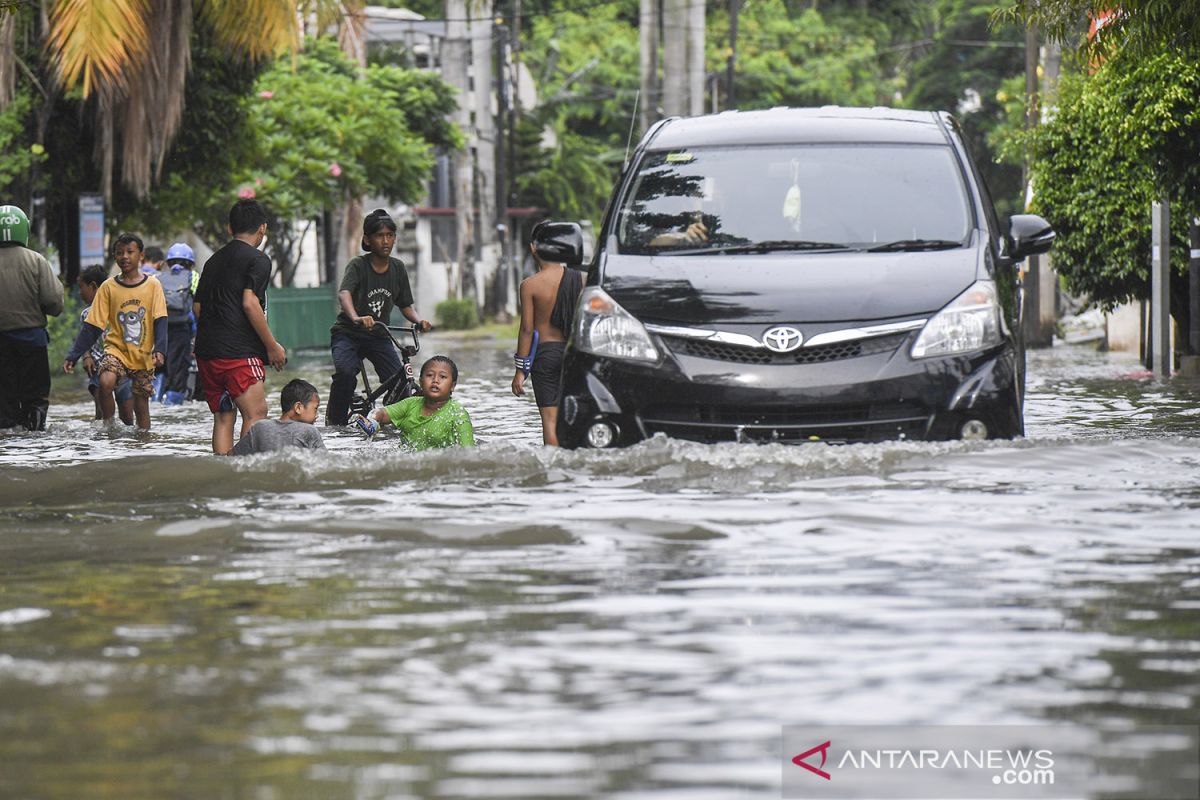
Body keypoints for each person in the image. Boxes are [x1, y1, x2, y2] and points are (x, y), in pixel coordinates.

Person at [193, 198, 288, 455]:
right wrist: (272, 346)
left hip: (206, 354)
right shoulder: (258, 260)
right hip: (237, 353)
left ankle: (225, 470)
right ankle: (243, 475)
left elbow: (198, 308)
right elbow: (250, 303)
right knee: (256, 413)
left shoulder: (213, 261)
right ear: (262, 229)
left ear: (229, 229)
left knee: (224, 416)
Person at [326, 209, 432, 427]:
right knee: (346, 374)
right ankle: (335, 424)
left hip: (378, 336)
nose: (386, 241)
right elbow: (344, 293)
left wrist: (419, 320)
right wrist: (356, 317)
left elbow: (405, 305)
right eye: (379, 235)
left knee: (400, 380)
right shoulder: (358, 266)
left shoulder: (398, 268)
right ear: (367, 239)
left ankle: (391, 418)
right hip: (348, 334)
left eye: (390, 235)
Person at [63, 233, 167, 430]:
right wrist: (74, 354)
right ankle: (109, 428)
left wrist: (160, 349)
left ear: (141, 256)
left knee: (141, 406)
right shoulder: (108, 287)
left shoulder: (153, 285)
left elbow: (160, 319)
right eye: (119, 253)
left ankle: (143, 442)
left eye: (130, 252)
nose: (125, 257)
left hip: (143, 354)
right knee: (105, 381)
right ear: (114, 257)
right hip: (116, 349)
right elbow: (93, 326)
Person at [511, 221, 584, 446]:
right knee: (578, 418)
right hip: (576, 356)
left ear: (534, 248)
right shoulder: (581, 279)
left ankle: (554, 473)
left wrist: (520, 371)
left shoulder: (530, 285)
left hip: (545, 356)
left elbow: (526, 330)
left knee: (550, 421)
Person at [0, 204, 64, 431]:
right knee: (35, 400)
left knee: (4, 403)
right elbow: (55, 302)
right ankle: (34, 443)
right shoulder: (36, 261)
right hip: (32, 341)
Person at [351, 355, 474, 450]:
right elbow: (381, 413)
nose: (435, 380)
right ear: (420, 382)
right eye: (430, 375)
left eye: (442, 377)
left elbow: (468, 454)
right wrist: (372, 421)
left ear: (452, 386)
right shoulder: (410, 404)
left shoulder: (459, 415)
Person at [74, 264, 134, 425]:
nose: (80, 292)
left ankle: (126, 440)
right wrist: (86, 356)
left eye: (82, 288)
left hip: (122, 365)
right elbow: (84, 338)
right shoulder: (86, 314)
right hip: (96, 366)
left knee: (127, 414)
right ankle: (104, 436)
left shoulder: (118, 308)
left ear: (93, 286)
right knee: (101, 409)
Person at [230, 378, 325, 456]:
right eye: (315, 409)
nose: (317, 415)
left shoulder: (260, 427)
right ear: (298, 407)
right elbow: (325, 460)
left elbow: (232, 455)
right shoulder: (310, 430)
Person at [158, 242, 196, 405]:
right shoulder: (193, 277)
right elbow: (198, 305)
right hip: (182, 329)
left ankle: (155, 398)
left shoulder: (157, 278)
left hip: (159, 329)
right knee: (179, 369)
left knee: (159, 366)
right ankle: (173, 403)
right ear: (190, 262)